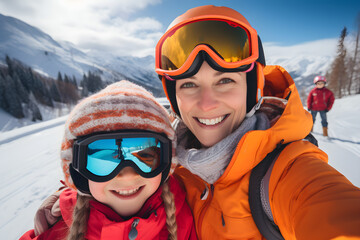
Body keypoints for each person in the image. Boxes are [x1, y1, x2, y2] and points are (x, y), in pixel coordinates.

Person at [32, 5, 360, 240]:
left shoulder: (287, 175)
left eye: (225, 81)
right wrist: (71, 196)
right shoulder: (174, 158)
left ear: (252, 88)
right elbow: (115, 159)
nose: (206, 104)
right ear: (174, 98)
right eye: (189, 85)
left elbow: (335, 214)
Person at [20, 80, 196, 240]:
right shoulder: (57, 233)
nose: (127, 175)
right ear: (78, 171)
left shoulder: (184, 219)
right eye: (105, 156)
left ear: (166, 163)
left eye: (145, 155)